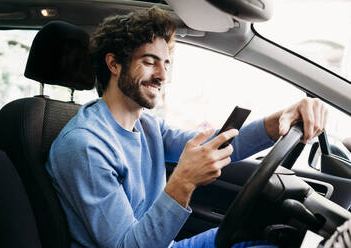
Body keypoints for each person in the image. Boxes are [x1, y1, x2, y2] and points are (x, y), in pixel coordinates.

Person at [46, 7, 328, 248]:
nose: (162, 75)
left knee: (267, 235)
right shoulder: (84, 145)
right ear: (114, 64)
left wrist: (283, 117)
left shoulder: (146, 126)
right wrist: (183, 181)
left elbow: (220, 144)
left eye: (166, 64)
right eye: (149, 62)